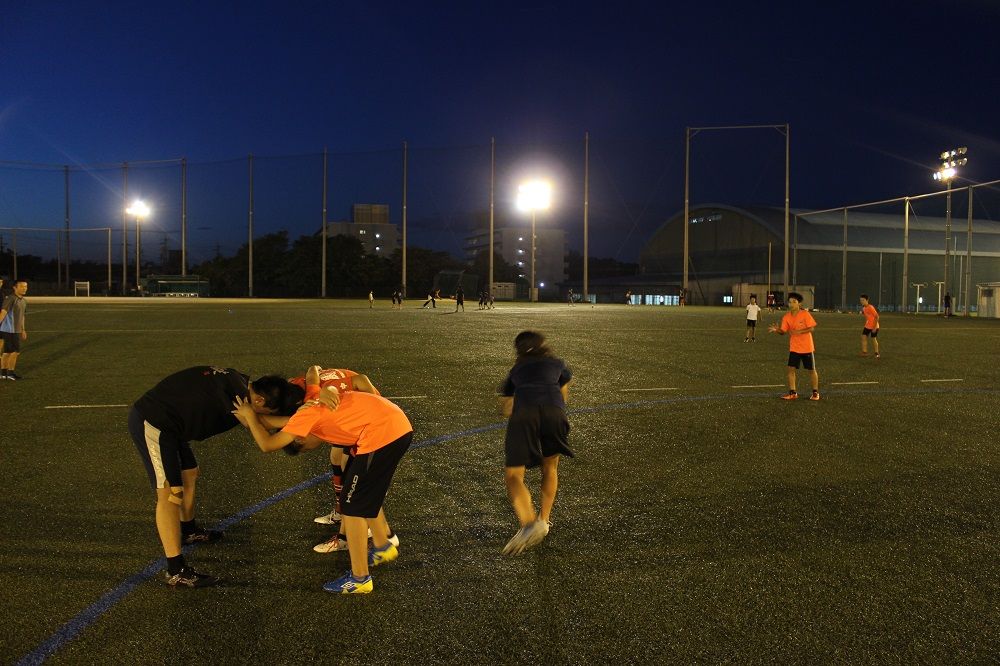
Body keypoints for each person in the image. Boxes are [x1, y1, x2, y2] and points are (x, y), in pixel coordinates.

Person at [234, 366, 413, 594]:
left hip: (382, 434)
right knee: (360, 494)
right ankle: (382, 545)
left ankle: (360, 578)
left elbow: (267, 445)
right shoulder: (310, 399)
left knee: (352, 506)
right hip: (392, 426)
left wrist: (250, 416)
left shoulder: (305, 415)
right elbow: (311, 376)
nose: (306, 446)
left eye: (301, 445)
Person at [129, 367, 301, 587]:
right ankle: (176, 571)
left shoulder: (240, 382)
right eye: (272, 411)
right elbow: (255, 422)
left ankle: (189, 531)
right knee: (171, 494)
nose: (271, 415)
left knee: (189, 473)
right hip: (155, 423)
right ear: (258, 400)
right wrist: (297, 420)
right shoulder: (237, 395)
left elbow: (256, 416)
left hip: (172, 424)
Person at [286, 367, 397, 554]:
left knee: (354, 486)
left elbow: (361, 380)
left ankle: (363, 538)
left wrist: (376, 408)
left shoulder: (316, 400)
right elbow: (312, 371)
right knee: (339, 461)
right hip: (358, 418)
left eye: (304, 447)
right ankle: (352, 522)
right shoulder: (304, 391)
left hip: (369, 424)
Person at [498, 331, 573, 556]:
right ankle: (544, 521)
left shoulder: (517, 370)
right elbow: (563, 395)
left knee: (514, 475)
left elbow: (507, 407)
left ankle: (529, 523)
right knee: (550, 467)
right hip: (555, 412)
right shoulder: (557, 364)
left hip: (525, 414)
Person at [768, 292, 820, 401]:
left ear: (799, 304)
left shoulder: (805, 314)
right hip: (794, 347)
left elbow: (811, 328)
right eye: (790, 302)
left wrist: (799, 331)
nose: (791, 304)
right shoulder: (786, 317)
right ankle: (793, 393)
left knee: (811, 370)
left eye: (794, 302)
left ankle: (815, 393)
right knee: (791, 370)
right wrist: (777, 330)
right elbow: (783, 331)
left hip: (807, 347)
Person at [0, 279, 29, 380]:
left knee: (7, 352)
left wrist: (23, 329)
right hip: (8, 330)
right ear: (15, 288)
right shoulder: (11, 299)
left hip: (16, 330)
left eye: (25, 286)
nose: (24, 288)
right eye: (21, 286)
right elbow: (3, 312)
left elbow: (22, 316)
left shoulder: (24, 301)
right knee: (15, 352)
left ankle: (3, 373)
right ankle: (10, 373)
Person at [859, 294, 880, 358]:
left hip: (874, 326)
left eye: (863, 300)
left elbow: (877, 317)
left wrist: (874, 327)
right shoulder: (864, 308)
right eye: (861, 300)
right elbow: (867, 317)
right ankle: (864, 352)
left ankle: (877, 353)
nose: (861, 301)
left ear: (867, 300)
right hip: (867, 326)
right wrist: (867, 323)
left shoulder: (870, 307)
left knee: (873, 339)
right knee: (863, 337)